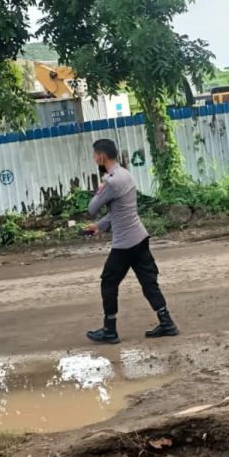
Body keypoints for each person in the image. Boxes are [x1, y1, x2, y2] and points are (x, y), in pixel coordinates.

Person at [84, 139, 178, 344]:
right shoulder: (125, 174)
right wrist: (99, 226)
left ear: (100, 157)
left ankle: (110, 330)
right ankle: (167, 322)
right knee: (148, 281)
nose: (94, 159)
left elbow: (91, 208)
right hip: (140, 238)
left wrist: (100, 188)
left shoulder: (110, 181)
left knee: (108, 282)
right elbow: (120, 212)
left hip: (125, 243)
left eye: (94, 156)